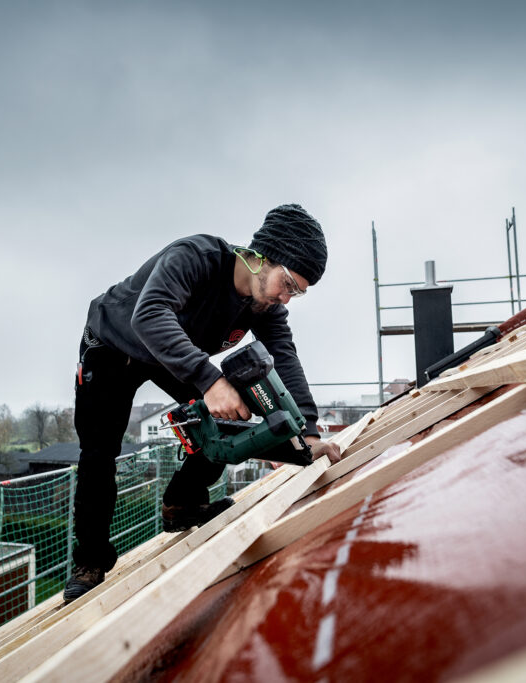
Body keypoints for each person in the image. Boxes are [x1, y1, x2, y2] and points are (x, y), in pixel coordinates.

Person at [63, 203, 342, 602]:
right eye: (288, 284)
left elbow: (284, 355)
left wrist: (309, 433)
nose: (287, 298)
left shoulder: (264, 305)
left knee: (233, 415)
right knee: (99, 450)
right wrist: (210, 381)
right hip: (113, 344)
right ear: (263, 257)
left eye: (297, 292)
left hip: (166, 353)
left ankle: (183, 503)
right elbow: (151, 314)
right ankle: (89, 562)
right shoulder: (197, 258)